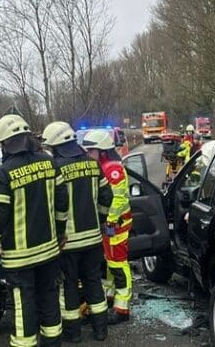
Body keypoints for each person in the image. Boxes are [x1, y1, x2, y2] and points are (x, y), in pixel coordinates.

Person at [0, 114, 69, 347]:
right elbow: (62, 203)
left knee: (23, 305)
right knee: (50, 299)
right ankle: (52, 343)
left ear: (7, 143)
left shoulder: (2, 174)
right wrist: (59, 233)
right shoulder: (50, 162)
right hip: (49, 251)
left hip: (20, 258)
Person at [41, 121, 113, 343]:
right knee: (93, 282)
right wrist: (100, 219)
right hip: (92, 239)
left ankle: (74, 334)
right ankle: (101, 330)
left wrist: (57, 233)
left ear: (55, 145)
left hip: (68, 242)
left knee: (69, 286)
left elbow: (54, 204)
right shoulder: (93, 164)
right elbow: (107, 196)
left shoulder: (56, 167)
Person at [81, 129, 133, 325]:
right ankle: (109, 298)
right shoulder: (100, 167)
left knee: (118, 265)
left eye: (91, 151)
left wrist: (107, 221)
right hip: (106, 226)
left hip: (116, 226)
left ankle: (122, 308)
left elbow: (117, 200)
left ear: (101, 150)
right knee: (108, 264)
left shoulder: (113, 169)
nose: (88, 154)